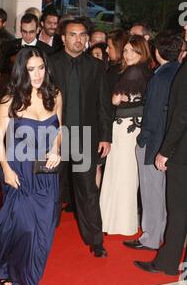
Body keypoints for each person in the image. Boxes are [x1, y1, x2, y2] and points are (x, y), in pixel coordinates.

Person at [0, 47, 62, 285]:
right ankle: (27, 284)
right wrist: (6, 168)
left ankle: (16, 271)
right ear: (21, 71)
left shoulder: (54, 94)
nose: (37, 74)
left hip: (46, 172)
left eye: (41, 68)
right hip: (19, 170)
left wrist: (56, 150)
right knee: (24, 228)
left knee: (44, 232)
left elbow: (60, 127)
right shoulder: (10, 99)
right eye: (31, 69)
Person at [50, 17, 112, 257]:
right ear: (63, 38)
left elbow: (103, 104)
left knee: (88, 189)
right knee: (53, 186)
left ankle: (95, 240)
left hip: (85, 138)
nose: (79, 39)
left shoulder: (95, 66)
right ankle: (46, 231)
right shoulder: (51, 63)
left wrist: (105, 136)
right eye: (73, 35)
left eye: (82, 35)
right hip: (55, 137)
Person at [124, 32, 182, 251]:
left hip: (154, 141)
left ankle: (150, 238)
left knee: (151, 192)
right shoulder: (178, 72)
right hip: (170, 142)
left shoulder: (160, 77)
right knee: (164, 193)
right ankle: (160, 233)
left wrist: (142, 138)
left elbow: (153, 112)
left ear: (157, 52)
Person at [134, 59, 187, 276]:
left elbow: (181, 114)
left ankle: (167, 263)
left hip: (182, 152)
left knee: (178, 210)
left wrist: (165, 150)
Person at [100, 35, 152, 236]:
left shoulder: (132, 72)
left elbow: (114, 100)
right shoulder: (146, 70)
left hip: (125, 128)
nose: (128, 54)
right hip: (133, 127)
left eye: (134, 51)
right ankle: (123, 222)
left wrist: (117, 98)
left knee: (122, 174)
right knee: (127, 174)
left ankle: (119, 223)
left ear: (142, 52)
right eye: (127, 50)